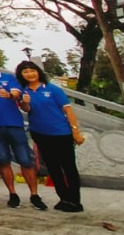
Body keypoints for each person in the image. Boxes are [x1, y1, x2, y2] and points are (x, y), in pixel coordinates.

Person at [0, 49, 45, 210]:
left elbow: (16, 93)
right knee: (4, 160)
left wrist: (9, 95)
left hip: (14, 125)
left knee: (25, 161)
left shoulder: (9, 78)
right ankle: (12, 194)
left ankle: (34, 194)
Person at [16, 61, 85, 212]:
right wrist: (24, 102)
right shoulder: (24, 91)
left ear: (38, 72)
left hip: (61, 133)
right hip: (40, 134)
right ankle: (63, 198)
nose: (30, 74)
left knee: (69, 167)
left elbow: (68, 111)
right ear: (21, 75)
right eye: (25, 72)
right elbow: (27, 110)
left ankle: (75, 201)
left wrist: (75, 132)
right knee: (53, 168)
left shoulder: (53, 89)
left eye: (32, 70)